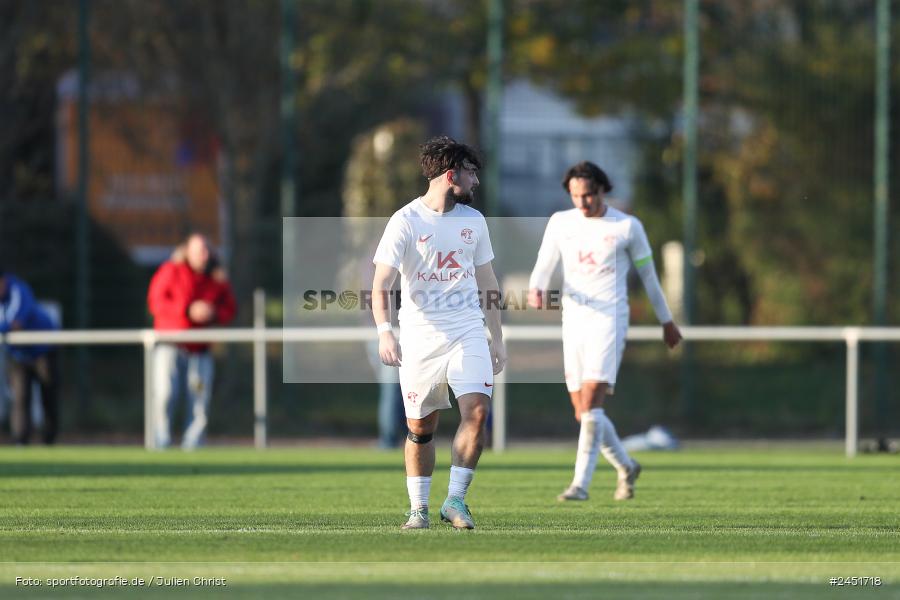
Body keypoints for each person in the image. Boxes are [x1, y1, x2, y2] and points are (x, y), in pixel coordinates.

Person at [372, 136, 506, 530]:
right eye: (471, 172)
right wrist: (385, 331)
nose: (476, 181)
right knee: (420, 428)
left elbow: (488, 283)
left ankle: (456, 500)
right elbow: (381, 283)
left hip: (466, 331)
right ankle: (419, 509)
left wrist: (495, 337)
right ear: (452, 175)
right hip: (419, 339)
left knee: (477, 412)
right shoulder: (405, 221)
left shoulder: (474, 222)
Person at [528, 161, 682, 501]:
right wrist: (535, 288)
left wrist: (666, 321)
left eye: (588, 196)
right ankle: (627, 466)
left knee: (594, 402)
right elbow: (544, 262)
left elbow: (649, 278)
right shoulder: (560, 223)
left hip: (609, 320)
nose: (582, 204)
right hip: (575, 321)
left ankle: (580, 484)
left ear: (602, 190)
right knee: (583, 413)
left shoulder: (627, 227)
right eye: (575, 196)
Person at [147, 233, 237, 450]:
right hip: (170, 345)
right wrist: (187, 310)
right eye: (199, 250)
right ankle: (161, 441)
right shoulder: (171, 271)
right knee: (166, 394)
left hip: (200, 349)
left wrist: (212, 313)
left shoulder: (216, 279)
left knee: (199, 400)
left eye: (206, 250)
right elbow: (155, 302)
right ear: (187, 251)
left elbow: (230, 309)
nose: (203, 255)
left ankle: (193, 444)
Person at [0, 269, 60, 445]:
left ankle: (49, 441)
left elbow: (16, 322)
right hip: (19, 354)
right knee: (20, 398)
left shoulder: (18, 289)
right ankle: (21, 442)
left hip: (44, 350)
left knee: (48, 396)